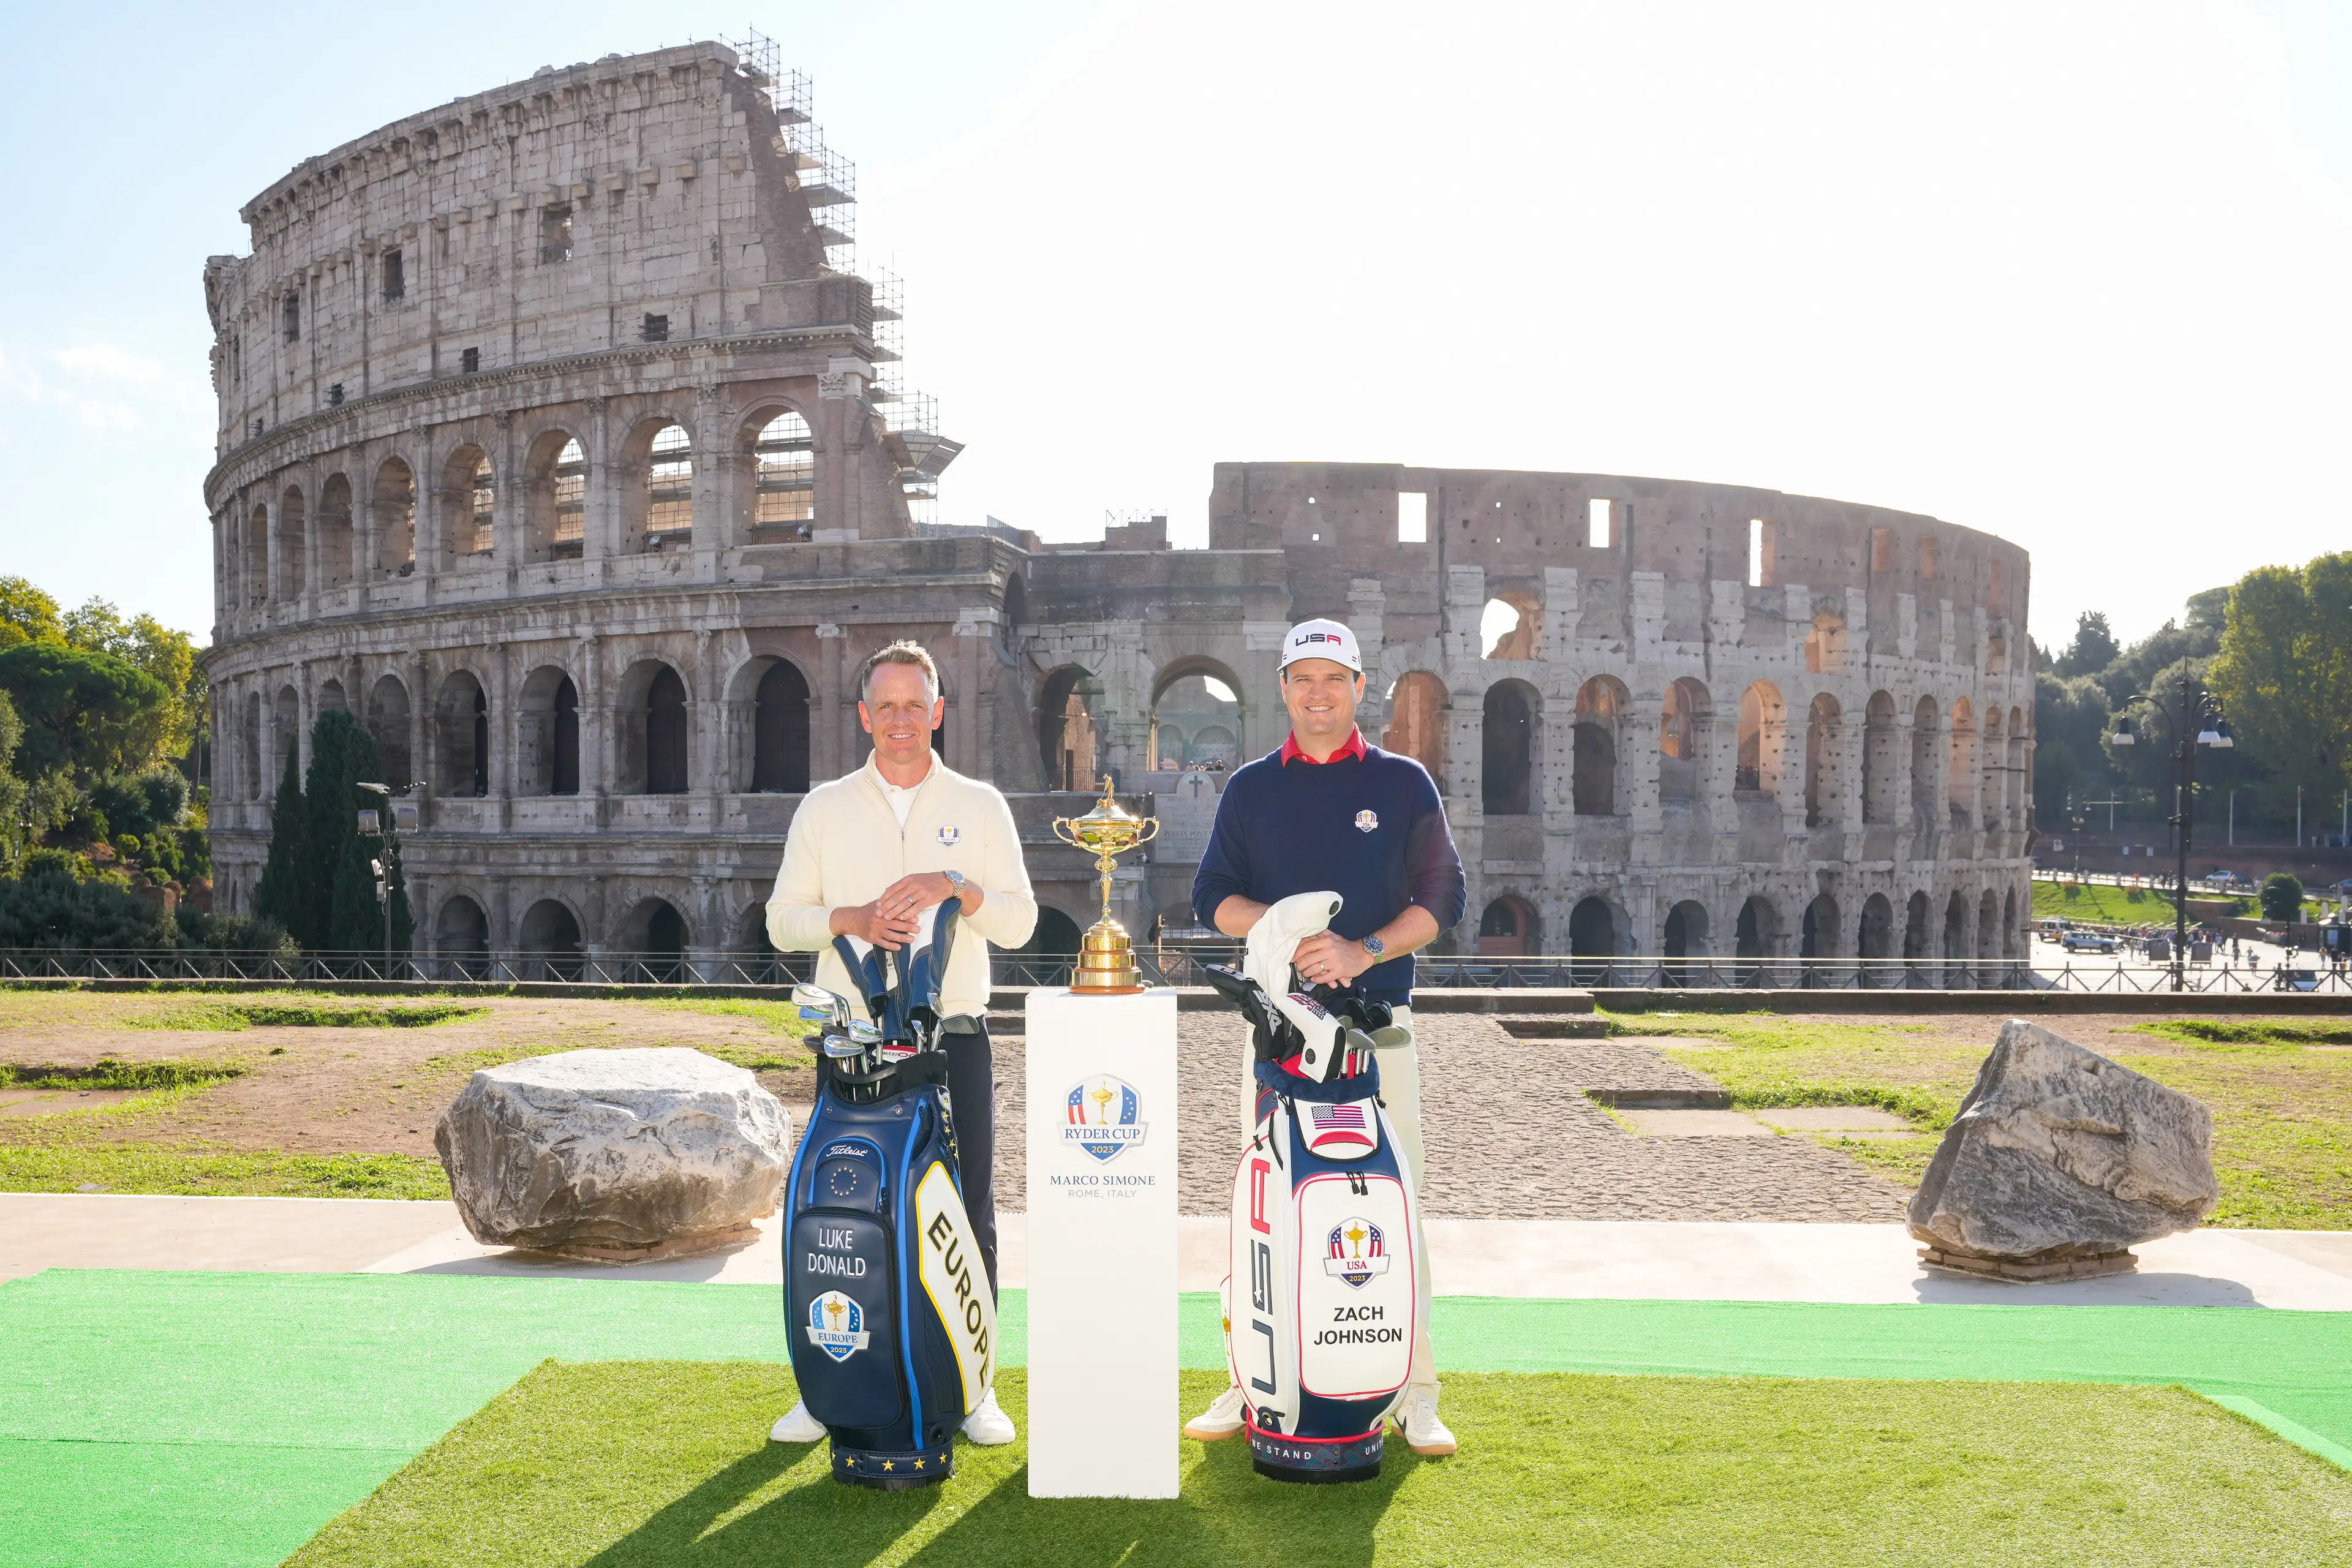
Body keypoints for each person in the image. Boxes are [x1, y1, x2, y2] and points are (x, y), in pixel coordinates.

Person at [1180, 617, 1468, 1457]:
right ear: (1283, 689)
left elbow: (1441, 901)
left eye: (1333, 679)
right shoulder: (1250, 790)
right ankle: (1252, 1376)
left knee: (1396, 1202)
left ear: (1358, 687)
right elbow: (1213, 898)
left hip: (1378, 1030)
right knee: (1265, 1201)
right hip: (1279, 1030)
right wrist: (1288, 930)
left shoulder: (1404, 783)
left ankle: (1416, 1391)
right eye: (1302, 679)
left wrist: (1361, 949)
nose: (1317, 694)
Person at [762, 640, 1037, 1447]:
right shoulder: (824, 807)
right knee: (843, 1205)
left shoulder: (980, 804)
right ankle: (825, 1383)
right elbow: (782, 922)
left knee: (967, 1207)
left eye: (916, 704)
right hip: (850, 1039)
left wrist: (956, 888)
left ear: (939, 711)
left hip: (954, 1036)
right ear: (864, 716)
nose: (902, 720)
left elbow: (1019, 923)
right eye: (886, 706)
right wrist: (852, 919)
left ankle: (976, 1384)